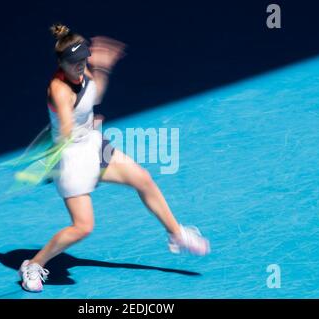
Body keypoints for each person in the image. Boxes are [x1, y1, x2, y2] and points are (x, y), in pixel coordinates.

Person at [19, 23, 210, 292]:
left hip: (93, 145)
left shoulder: (83, 69)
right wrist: (84, 128)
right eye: (74, 63)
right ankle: (33, 265)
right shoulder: (58, 89)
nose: (80, 66)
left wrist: (103, 68)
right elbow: (64, 129)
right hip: (70, 158)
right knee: (83, 227)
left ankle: (176, 234)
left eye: (83, 59)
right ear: (61, 63)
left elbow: (94, 95)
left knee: (142, 179)